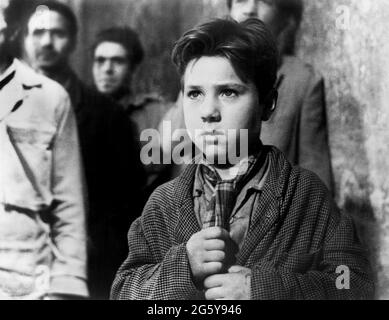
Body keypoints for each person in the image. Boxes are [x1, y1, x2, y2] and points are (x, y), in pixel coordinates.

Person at [111, 19, 373, 300]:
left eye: (228, 92)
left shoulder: (305, 195)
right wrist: (183, 266)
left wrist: (263, 289)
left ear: (267, 103)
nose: (208, 112)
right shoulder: (164, 203)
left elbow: (352, 283)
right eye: (195, 93)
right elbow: (124, 290)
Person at [22, 0, 146, 299]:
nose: (47, 42)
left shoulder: (108, 116)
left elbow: (128, 204)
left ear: (74, 41)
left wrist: (87, 246)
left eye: (57, 33)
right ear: (23, 39)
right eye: (38, 32)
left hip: (84, 272)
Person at [161, 0, 333, 193]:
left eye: (265, 2)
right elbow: (168, 149)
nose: (250, 9)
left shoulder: (302, 80)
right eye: (240, 0)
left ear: (285, 18)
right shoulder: (198, 71)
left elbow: (317, 177)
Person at [0, 0, 87, 299]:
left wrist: (66, 288)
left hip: (26, 282)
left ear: (13, 28)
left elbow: (69, 206)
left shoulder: (51, 99)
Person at [92, 26, 172, 194]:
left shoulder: (158, 114)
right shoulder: (80, 111)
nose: (107, 69)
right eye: (100, 60)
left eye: (118, 61)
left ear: (133, 68)